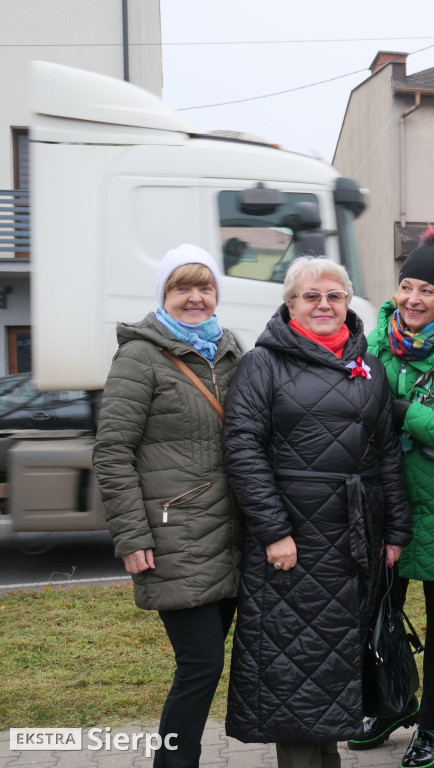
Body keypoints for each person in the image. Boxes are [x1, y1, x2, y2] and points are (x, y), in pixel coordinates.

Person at [222, 256, 413, 768]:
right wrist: (273, 531)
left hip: (355, 541)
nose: (324, 304)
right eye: (311, 296)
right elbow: (243, 448)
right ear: (290, 305)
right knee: (295, 667)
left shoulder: (366, 364)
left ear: (348, 303)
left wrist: (395, 528)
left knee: (333, 667)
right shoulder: (262, 364)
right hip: (295, 542)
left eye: (334, 296)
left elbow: (386, 451)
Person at [93, 244, 242, 768]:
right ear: (164, 294)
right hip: (176, 534)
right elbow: (112, 451)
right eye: (183, 287)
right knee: (200, 665)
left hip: (230, 536)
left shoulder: (228, 349)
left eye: (205, 287)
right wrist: (131, 536)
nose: (195, 297)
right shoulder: (140, 356)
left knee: (206, 666)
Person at [355, 228, 434, 766]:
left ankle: (429, 725)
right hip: (382, 505)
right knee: (379, 612)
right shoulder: (376, 340)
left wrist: (406, 412)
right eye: (406, 285)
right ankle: (391, 703)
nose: (412, 299)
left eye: (427, 290)